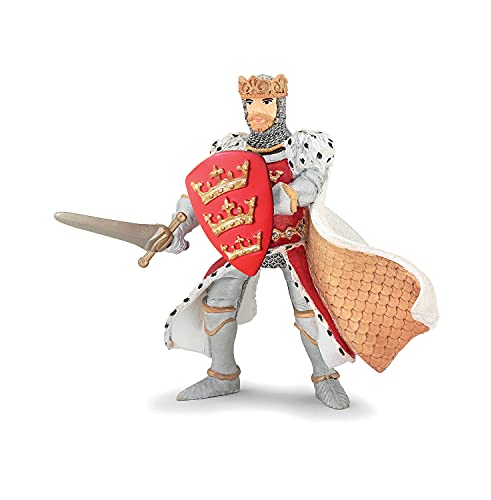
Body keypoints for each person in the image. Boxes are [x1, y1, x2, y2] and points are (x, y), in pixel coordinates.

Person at [162, 74, 438, 410]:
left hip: (290, 243)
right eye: (250, 103)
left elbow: (311, 183)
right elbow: (205, 192)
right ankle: (223, 375)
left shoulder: (300, 148)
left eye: (266, 102)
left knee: (309, 310)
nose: (256, 110)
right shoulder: (232, 151)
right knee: (217, 300)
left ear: (280, 105)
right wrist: (178, 225)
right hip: (246, 246)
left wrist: (288, 194)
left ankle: (324, 376)